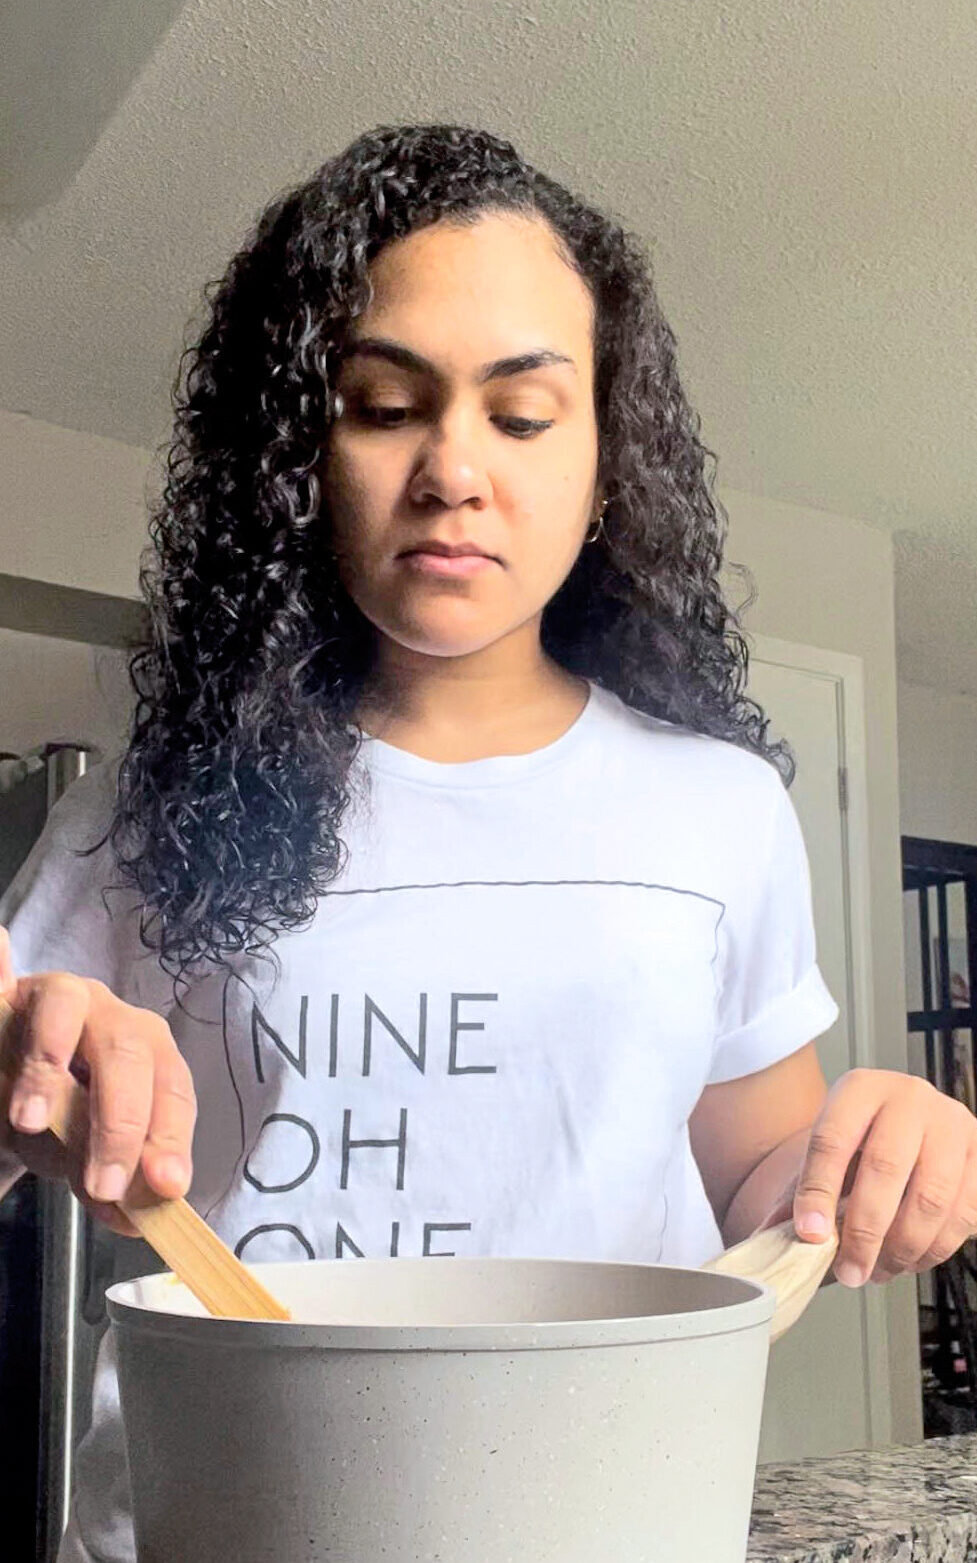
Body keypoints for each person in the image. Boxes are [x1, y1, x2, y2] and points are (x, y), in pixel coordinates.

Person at [1, 122, 975, 1563]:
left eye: (521, 416)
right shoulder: (154, 804)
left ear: (602, 459)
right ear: (296, 454)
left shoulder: (714, 808)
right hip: (210, 1518)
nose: (454, 468)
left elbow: (766, 1183)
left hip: (603, 1512)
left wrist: (883, 1156)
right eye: (383, 404)